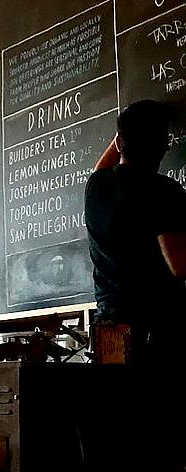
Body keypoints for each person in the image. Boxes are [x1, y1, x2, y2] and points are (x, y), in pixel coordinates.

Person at [85, 99, 186, 368]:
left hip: (109, 325)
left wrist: (124, 133)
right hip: (155, 327)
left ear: (119, 142)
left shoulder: (96, 186)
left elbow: (103, 166)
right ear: (165, 145)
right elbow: (179, 265)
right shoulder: (166, 191)